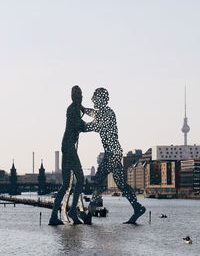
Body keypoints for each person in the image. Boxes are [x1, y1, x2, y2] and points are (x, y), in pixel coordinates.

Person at [82, 88, 146, 224]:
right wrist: (83, 109)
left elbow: (94, 125)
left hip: (112, 154)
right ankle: (137, 207)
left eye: (95, 98)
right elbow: (94, 114)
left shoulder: (108, 113)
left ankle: (88, 216)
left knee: (98, 182)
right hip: (114, 152)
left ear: (101, 99)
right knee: (122, 185)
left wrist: (79, 125)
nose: (93, 100)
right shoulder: (104, 112)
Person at [49, 86, 85, 225]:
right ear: (73, 96)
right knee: (80, 179)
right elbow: (80, 126)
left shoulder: (75, 108)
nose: (81, 96)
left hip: (67, 147)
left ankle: (53, 216)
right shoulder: (72, 110)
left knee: (65, 185)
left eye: (81, 94)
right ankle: (72, 212)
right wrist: (96, 125)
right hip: (69, 148)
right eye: (78, 94)